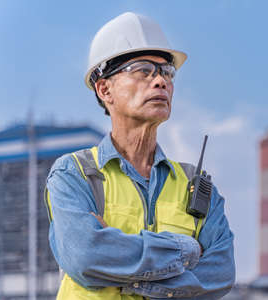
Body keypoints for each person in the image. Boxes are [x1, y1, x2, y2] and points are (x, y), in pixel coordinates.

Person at [44, 12, 235, 299]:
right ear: (104, 88)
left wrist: (126, 272)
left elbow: (220, 274)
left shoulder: (195, 185)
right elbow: (86, 257)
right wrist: (186, 250)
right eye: (143, 70)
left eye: (166, 72)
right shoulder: (73, 175)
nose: (160, 81)